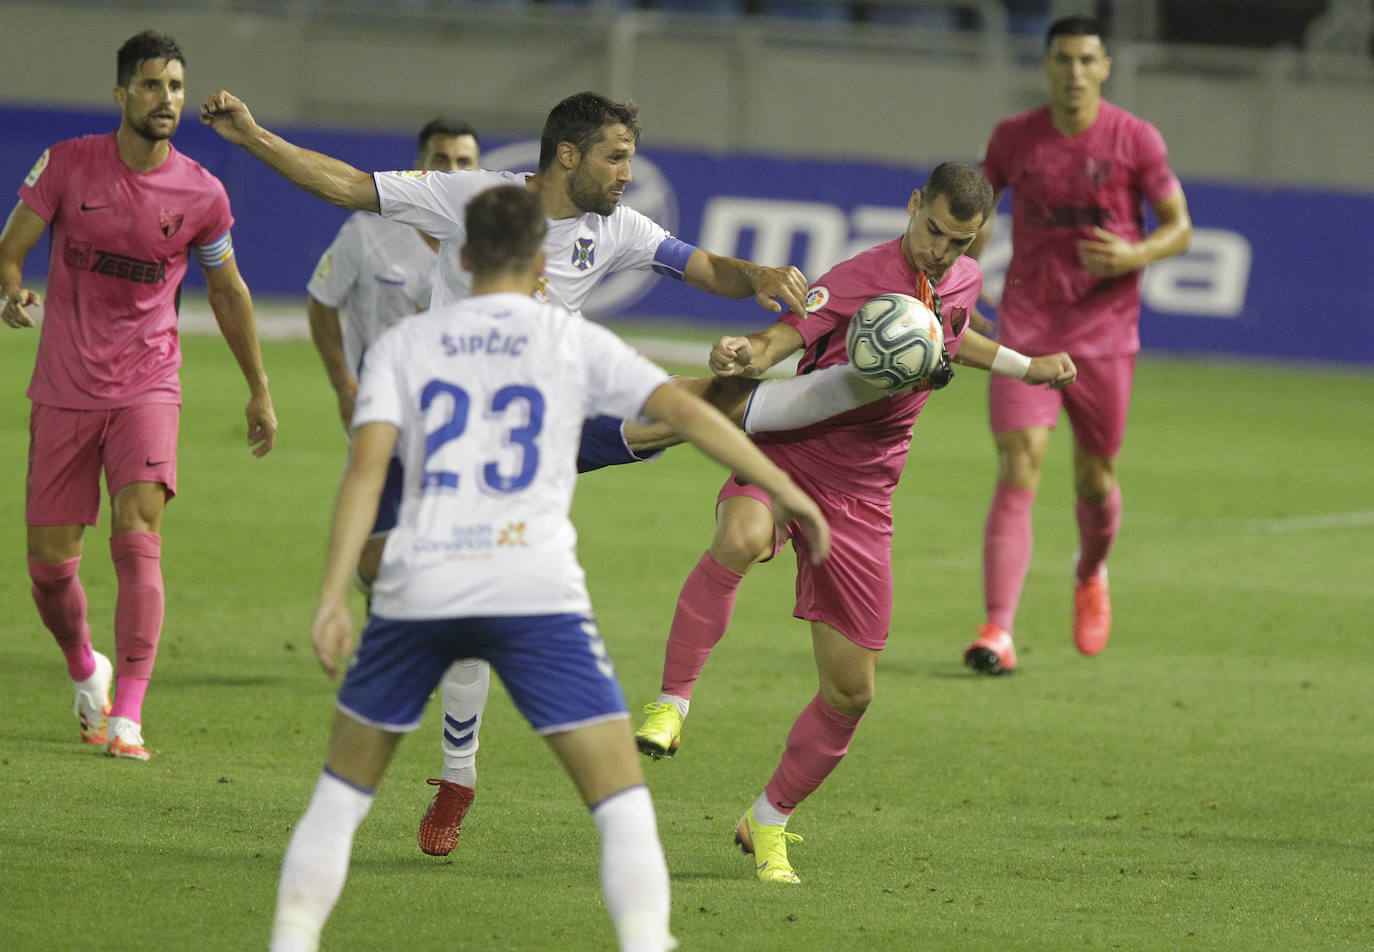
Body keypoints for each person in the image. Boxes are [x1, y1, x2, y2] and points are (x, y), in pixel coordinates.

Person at [201, 85, 882, 855]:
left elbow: (699, 265)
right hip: (442, 435)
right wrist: (253, 137)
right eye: (617, 158)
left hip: (546, 424)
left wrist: (754, 274)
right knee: (389, 573)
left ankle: (458, 775)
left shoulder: (614, 228)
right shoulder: (475, 200)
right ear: (569, 155)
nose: (628, 174)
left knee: (696, 406)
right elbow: (349, 185)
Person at [269, 184, 830, 952]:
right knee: (619, 801)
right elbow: (693, 414)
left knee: (340, 796)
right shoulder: (571, 340)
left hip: (419, 585)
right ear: (541, 265)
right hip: (532, 588)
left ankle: (293, 939)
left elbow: (366, 474)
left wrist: (335, 593)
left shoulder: (406, 345)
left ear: (462, 259)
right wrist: (785, 489)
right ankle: (645, 941)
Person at [633, 163, 1077, 884]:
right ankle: (671, 704)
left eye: (959, 241)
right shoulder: (859, 274)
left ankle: (768, 818)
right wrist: (747, 352)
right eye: (932, 229)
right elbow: (785, 339)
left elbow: (950, 336)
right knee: (741, 537)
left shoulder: (960, 280)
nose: (939, 249)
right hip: (790, 454)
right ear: (913, 207)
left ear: (978, 238)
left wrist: (1030, 368)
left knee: (851, 692)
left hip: (865, 499)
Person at [0, 30, 277, 762]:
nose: (168, 100)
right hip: (64, 385)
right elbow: (10, 249)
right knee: (49, 568)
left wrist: (259, 389)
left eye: (177, 87)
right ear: (121, 94)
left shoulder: (201, 193)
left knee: (137, 526)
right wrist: (10, 292)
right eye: (153, 86)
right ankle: (84, 666)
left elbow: (227, 288)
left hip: (149, 382)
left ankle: (129, 712)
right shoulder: (66, 165)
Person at [962, 15, 1192, 676]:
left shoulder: (1134, 139)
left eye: (1087, 60)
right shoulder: (1013, 138)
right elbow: (980, 210)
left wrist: (1135, 252)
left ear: (1105, 67)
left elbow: (1180, 228)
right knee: (1020, 464)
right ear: (1045, 66)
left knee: (1095, 481)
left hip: (1105, 334)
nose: (1074, 73)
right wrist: (962, 286)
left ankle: (1090, 573)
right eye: (1062, 59)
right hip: (1028, 323)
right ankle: (997, 631)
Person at [307, 117, 480, 587]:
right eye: (440, 159)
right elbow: (322, 303)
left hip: (457, 418)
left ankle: (424, 648)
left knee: (450, 557)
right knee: (377, 561)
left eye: (464, 161)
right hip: (383, 409)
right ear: (418, 166)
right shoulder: (368, 232)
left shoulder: (490, 247)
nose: (452, 170)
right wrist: (344, 384)